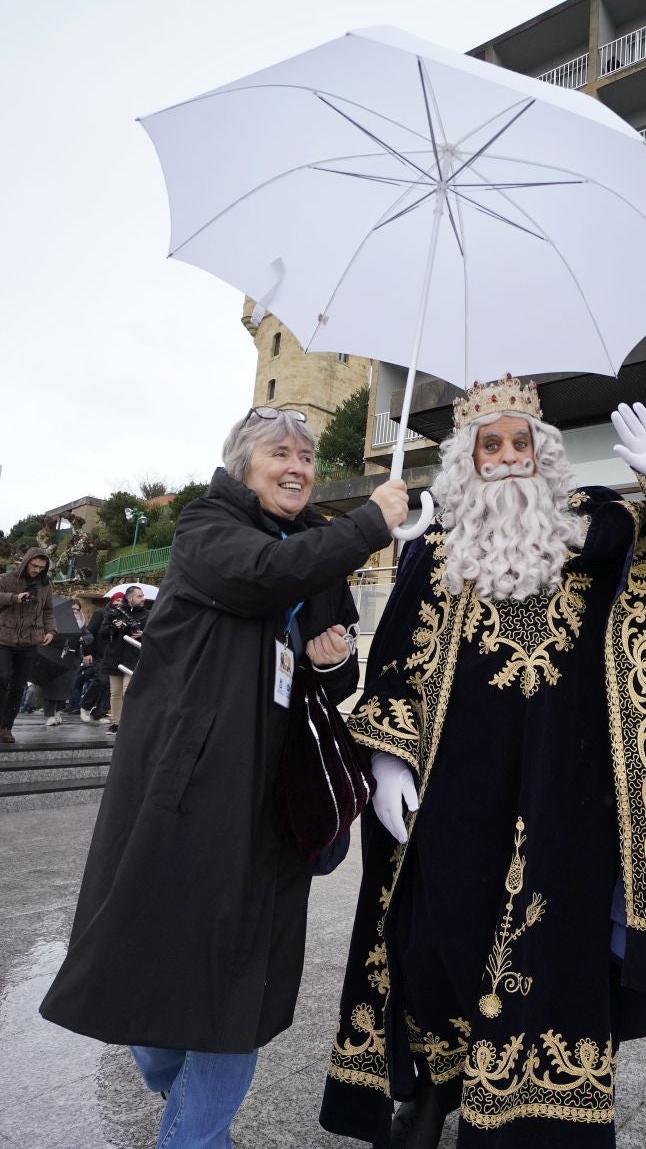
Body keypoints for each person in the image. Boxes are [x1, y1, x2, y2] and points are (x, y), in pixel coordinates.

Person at [320, 377, 646, 1149]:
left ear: (543, 452)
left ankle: (542, 1122)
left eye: (521, 443)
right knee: (435, 943)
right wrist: (387, 760)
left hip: (568, 796)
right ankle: (435, 1085)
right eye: (493, 445)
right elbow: (396, 665)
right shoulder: (437, 547)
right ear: (468, 459)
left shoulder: (590, 521)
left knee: (552, 955)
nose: (509, 456)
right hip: (457, 793)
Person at [40, 407, 408, 1149]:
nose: (299, 466)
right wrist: (371, 522)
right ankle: (180, 1093)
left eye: (307, 456)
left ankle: (195, 1137)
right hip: (185, 791)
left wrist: (333, 661)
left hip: (274, 800)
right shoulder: (206, 529)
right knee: (149, 965)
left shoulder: (319, 551)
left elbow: (333, 677)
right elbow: (261, 577)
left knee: (235, 989)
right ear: (244, 464)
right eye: (282, 453)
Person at [0, 548, 56, 744]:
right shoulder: (7, 579)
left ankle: (6, 727)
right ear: (26, 562)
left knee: (18, 685)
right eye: (34, 566)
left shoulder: (45, 585)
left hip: (30, 640)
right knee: (2, 677)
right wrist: (14, 598)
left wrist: (51, 631)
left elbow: (48, 611)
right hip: (3, 638)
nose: (37, 570)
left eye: (42, 567)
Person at [99, 585, 150, 733]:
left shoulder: (147, 615)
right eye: (139, 596)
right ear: (130, 598)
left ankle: (130, 722)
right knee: (115, 692)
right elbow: (101, 633)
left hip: (134, 658)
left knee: (128, 691)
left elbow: (156, 634)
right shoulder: (114, 613)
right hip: (115, 656)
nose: (143, 599)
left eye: (142, 595)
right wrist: (114, 627)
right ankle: (116, 723)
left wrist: (143, 634)